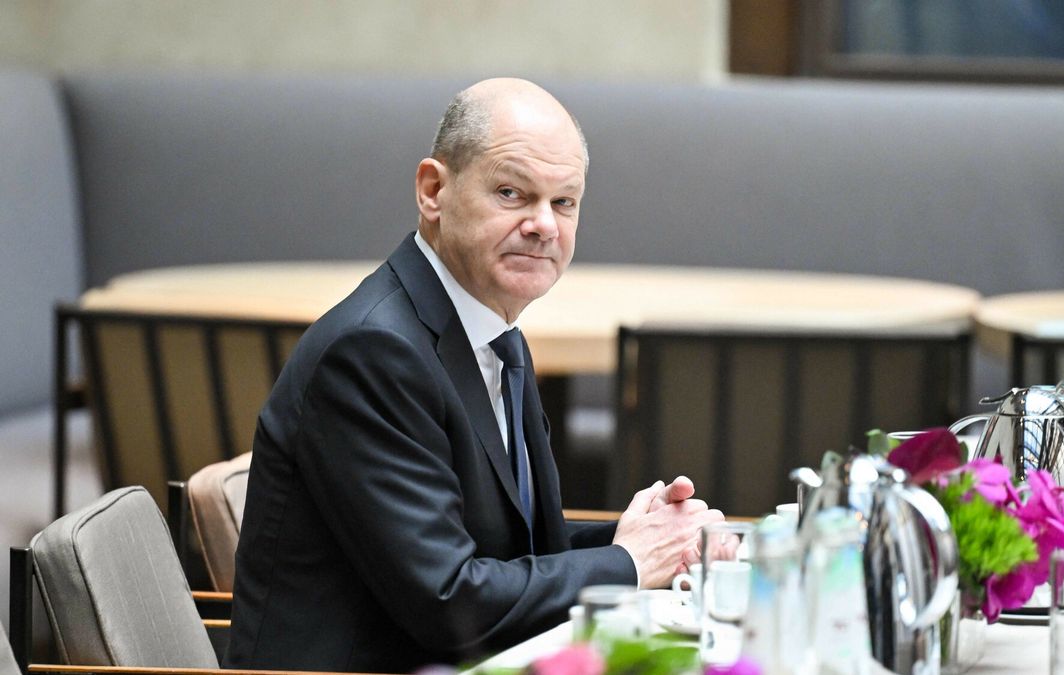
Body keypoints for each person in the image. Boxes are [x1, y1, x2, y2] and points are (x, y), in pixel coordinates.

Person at [225, 78, 723, 673]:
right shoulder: (373, 352)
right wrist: (632, 562)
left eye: (564, 202)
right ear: (433, 190)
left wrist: (636, 536)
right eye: (512, 193)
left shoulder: (490, 327)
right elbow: (449, 600)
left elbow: (510, 547)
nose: (544, 225)